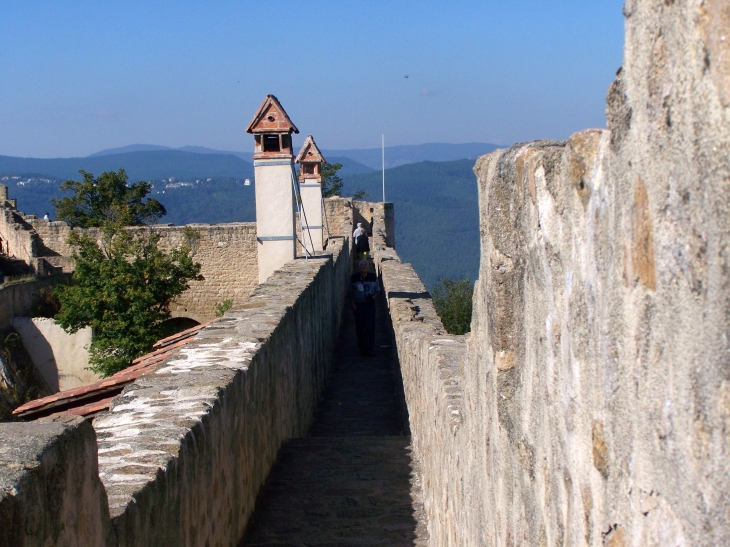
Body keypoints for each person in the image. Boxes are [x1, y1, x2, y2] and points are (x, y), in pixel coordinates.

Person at [350, 259, 380, 356]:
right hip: (358, 306)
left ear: (368, 267)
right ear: (359, 267)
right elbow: (350, 292)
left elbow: (377, 290)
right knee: (360, 328)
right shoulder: (354, 278)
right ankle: (362, 348)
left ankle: (369, 348)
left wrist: (373, 297)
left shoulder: (373, 277)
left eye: (365, 265)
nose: (363, 266)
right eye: (362, 265)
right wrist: (353, 304)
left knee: (370, 327)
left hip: (370, 305)